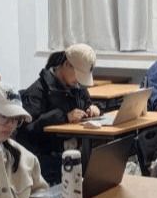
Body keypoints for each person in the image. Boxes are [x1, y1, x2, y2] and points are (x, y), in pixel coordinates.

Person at [19, 43, 99, 184]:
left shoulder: (77, 87)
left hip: (74, 155)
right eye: (78, 75)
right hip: (48, 161)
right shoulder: (37, 91)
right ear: (67, 64)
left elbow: (87, 104)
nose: (78, 81)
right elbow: (28, 130)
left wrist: (93, 109)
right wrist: (64, 117)